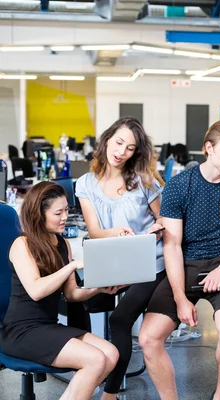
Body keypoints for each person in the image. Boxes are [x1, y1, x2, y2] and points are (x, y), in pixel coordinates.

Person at [138, 120, 220, 400]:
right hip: (186, 264)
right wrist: (179, 298)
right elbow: (172, 245)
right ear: (208, 149)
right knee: (148, 338)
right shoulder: (179, 186)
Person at [0, 182, 122, 400]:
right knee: (95, 359)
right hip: (21, 331)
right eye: (59, 212)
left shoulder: (62, 244)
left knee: (111, 354)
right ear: (39, 214)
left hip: (47, 326)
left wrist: (99, 289)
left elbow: (71, 295)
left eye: (67, 210)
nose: (65, 216)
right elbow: (36, 290)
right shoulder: (22, 244)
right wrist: (71, 266)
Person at [75, 116, 166, 400]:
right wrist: (116, 232)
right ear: (106, 140)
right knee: (77, 299)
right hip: (114, 262)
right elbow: (94, 231)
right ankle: (87, 364)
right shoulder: (86, 183)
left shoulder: (144, 181)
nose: (122, 151)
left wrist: (158, 227)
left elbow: (164, 219)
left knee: (119, 320)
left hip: (149, 264)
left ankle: (109, 394)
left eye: (130, 148)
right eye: (118, 142)